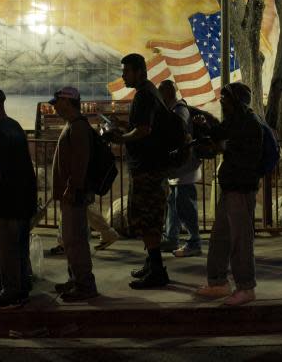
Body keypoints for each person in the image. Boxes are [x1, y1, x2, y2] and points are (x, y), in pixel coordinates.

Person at [193, 82, 264, 306]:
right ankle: (218, 282)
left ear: (237, 100)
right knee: (220, 237)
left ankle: (246, 287)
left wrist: (224, 146)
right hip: (230, 186)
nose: (222, 101)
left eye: (225, 97)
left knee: (240, 240)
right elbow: (218, 135)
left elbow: (244, 154)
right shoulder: (234, 121)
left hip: (241, 188)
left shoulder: (250, 123)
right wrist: (205, 127)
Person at [104, 53, 170, 289]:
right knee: (146, 219)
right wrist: (124, 128)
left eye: (126, 71)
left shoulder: (144, 95)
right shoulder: (149, 92)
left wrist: (121, 137)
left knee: (147, 219)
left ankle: (158, 271)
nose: (122, 76)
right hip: (150, 167)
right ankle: (151, 264)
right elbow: (140, 129)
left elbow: (143, 130)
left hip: (148, 170)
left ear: (139, 71)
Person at [0, 85, 38, 311]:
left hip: (10, 200)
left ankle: (11, 292)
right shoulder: (15, 126)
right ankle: (21, 291)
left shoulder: (0, 131)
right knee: (19, 248)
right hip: (24, 198)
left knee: (7, 249)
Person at [48, 87, 100, 302]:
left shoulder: (77, 127)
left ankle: (85, 284)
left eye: (57, 102)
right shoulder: (74, 124)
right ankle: (75, 279)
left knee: (75, 240)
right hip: (71, 193)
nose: (55, 106)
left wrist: (72, 187)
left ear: (68, 102)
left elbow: (80, 161)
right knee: (70, 239)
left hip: (74, 194)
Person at [159, 80, 203, 258]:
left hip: (184, 168)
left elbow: (179, 134)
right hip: (181, 168)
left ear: (167, 93)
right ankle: (171, 238)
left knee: (184, 205)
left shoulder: (179, 111)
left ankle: (194, 241)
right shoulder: (176, 110)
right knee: (174, 203)